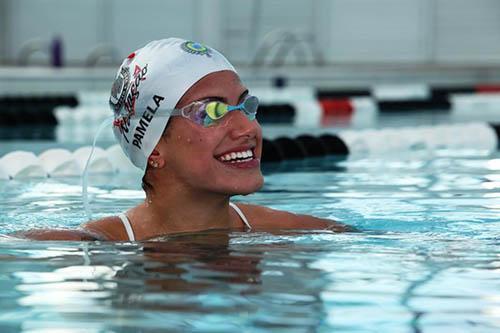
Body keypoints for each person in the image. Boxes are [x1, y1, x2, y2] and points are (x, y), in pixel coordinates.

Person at [22, 38, 353, 241]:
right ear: (154, 148)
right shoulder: (95, 246)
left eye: (246, 106)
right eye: (212, 111)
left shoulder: (284, 230)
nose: (247, 128)